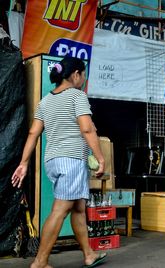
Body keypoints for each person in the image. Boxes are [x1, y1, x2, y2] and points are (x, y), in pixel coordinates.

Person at [11, 57, 107, 268]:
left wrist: (24, 162)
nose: (83, 79)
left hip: (54, 161)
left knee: (78, 208)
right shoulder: (76, 96)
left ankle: (89, 254)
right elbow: (87, 129)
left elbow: (33, 133)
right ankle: (40, 261)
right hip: (70, 161)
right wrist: (101, 158)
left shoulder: (45, 101)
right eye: (83, 75)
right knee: (60, 210)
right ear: (76, 75)